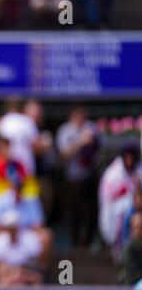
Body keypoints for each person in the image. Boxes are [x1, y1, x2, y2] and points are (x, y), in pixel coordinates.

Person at [56, 105, 99, 248]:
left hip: (90, 176)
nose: (80, 119)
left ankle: (87, 243)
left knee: (90, 212)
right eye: (77, 116)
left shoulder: (91, 127)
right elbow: (64, 155)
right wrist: (80, 142)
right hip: (72, 178)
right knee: (73, 212)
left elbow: (100, 150)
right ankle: (74, 244)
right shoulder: (66, 130)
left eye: (83, 116)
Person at [122, 212, 142, 286]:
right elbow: (132, 273)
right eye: (136, 227)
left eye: (141, 227)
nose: (139, 230)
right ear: (131, 228)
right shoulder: (129, 247)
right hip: (133, 285)